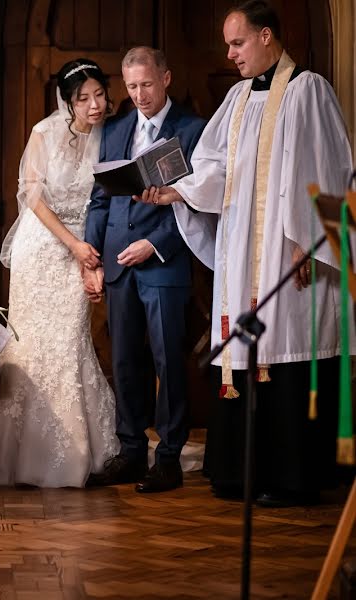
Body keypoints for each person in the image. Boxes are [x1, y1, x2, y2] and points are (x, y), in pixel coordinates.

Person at [141, 1, 353, 507]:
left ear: (266, 36)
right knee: (243, 349)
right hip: (242, 250)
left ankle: (291, 477)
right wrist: (180, 192)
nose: (230, 54)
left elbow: (328, 165)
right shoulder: (236, 98)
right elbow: (213, 166)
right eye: (228, 44)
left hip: (287, 250)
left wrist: (311, 240)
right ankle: (239, 472)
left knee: (283, 348)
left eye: (237, 43)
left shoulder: (309, 90)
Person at [0, 59, 119, 487]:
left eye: (99, 94)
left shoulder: (114, 134)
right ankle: (17, 453)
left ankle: (79, 451)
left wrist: (87, 252)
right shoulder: (44, 133)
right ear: (67, 101)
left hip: (85, 243)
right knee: (32, 345)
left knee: (70, 341)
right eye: (83, 98)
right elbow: (33, 197)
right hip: (42, 248)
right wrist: (72, 246)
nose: (94, 105)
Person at [83, 47, 207, 493]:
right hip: (117, 262)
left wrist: (153, 245)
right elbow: (101, 200)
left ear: (167, 78)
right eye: (132, 86)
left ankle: (169, 457)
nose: (139, 95)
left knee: (168, 362)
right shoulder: (115, 129)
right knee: (125, 361)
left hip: (163, 263)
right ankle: (131, 451)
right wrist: (91, 256)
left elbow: (201, 206)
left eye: (147, 85)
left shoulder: (192, 131)